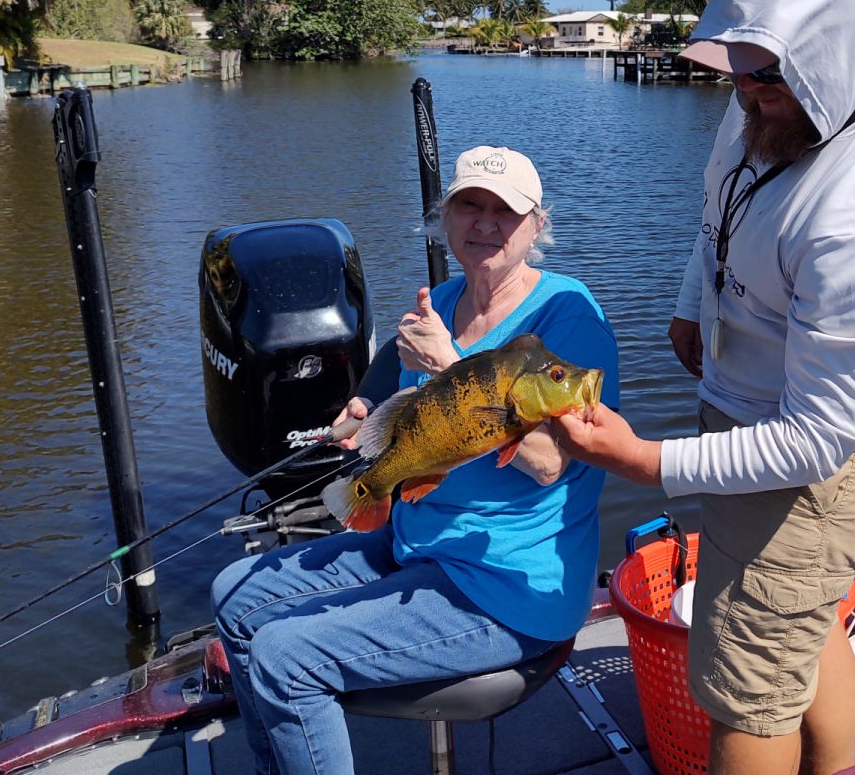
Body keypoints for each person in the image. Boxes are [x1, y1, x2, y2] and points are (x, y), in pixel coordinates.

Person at [556, 0, 855, 775]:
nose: (743, 87)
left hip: (830, 455)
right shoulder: (777, 88)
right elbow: (723, 202)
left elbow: (814, 444)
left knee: (746, 686)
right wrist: (690, 300)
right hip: (763, 406)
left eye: (764, 72)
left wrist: (644, 462)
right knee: (806, 623)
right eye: (735, 63)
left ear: (833, 53)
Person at [212, 145, 620, 775]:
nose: (485, 224)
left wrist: (450, 361)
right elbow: (400, 392)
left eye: (505, 211)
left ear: (537, 225)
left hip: (506, 585)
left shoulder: (568, 316)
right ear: (444, 218)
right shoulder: (441, 303)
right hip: (414, 539)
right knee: (234, 595)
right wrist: (363, 411)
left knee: (284, 656)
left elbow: (550, 464)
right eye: (469, 206)